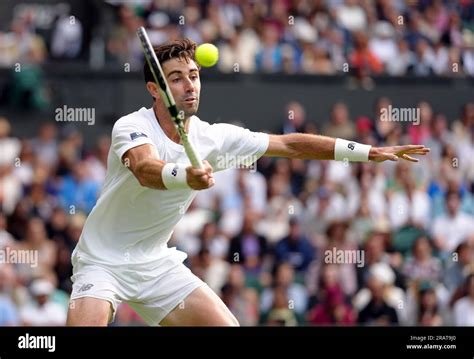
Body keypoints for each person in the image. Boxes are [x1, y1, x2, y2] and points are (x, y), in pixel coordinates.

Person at [66, 38, 429, 326]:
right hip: (102, 261)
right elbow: (145, 168)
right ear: (154, 89)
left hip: (155, 265)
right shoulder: (131, 126)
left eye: (193, 75)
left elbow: (289, 145)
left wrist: (367, 152)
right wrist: (184, 177)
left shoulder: (216, 139)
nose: (189, 84)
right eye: (175, 78)